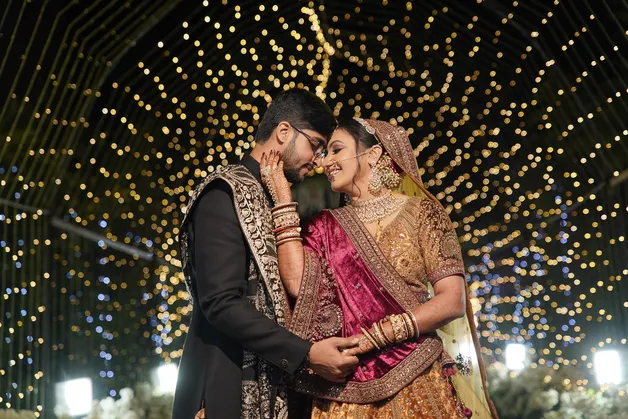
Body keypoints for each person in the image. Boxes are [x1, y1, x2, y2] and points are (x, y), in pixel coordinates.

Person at [260, 118, 499, 418]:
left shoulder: (423, 213)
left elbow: (452, 301)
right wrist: (283, 200)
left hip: (417, 375)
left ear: (373, 154)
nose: (326, 162)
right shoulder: (323, 225)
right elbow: (297, 284)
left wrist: (377, 337)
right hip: (345, 388)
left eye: (336, 150)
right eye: (325, 154)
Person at [173, 89, 360, 419]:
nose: (318, 160)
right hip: (226, 383)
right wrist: (306, 353)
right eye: (315, 145)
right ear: (284, 132)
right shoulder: (224, 192)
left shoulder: (274, 196)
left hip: (275, 382)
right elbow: (220, 302)